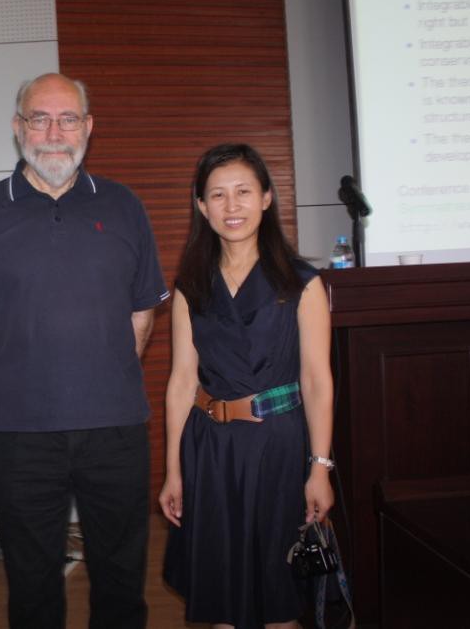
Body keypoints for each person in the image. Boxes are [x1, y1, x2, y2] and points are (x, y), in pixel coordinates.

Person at [0, 73, 169, 628]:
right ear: (17, 127)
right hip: (20, 432)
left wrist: (105, 375)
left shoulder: (124, 205)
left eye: (68, 119)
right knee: (31, 586)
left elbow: (141, 310)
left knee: (121, 582)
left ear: (88, 127)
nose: (54, 133)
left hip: (116, 429)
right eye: (40, 119)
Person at [159, 143, 335, 629]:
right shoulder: (191, 286)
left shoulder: (301, 283)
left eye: (243, 192)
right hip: (210, 450)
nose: (231, 205)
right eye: (217, 195)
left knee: (278, 592)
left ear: (266, 198)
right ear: (201, 206)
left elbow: (317, 381)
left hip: (278, 447)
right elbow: (181, 381)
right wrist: (173, 470)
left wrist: (320, 468)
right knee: (221, 594)